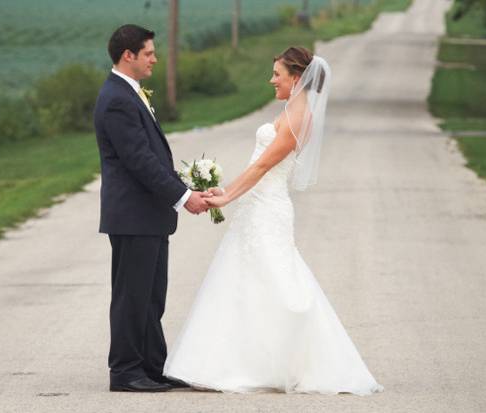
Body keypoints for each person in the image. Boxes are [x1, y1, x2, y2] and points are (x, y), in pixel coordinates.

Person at [163, 46, 385, 395]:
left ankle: (289, 360)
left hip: (269, 208)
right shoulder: (287, 109)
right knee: (245, 280)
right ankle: (237, 358)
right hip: (257, 203)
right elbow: (258, 165)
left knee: (278, 281)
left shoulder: (300, 118)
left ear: (296, 79)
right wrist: (227, 188)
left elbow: (265, 166)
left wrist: (227, 197)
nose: (272, 80)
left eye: (277, 75)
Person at [93, 24, 211, 393]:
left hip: (149, 216)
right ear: (128, 55)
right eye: (149, 53)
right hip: (133, 216)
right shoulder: (116, 98)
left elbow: (152, 157)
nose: (155, 59)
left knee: (151, 295)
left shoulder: (131, 94)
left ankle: (152, 367)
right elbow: (139, 161)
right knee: (132, 295)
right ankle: (125, 372)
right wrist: (182, 197)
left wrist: (183, 185)